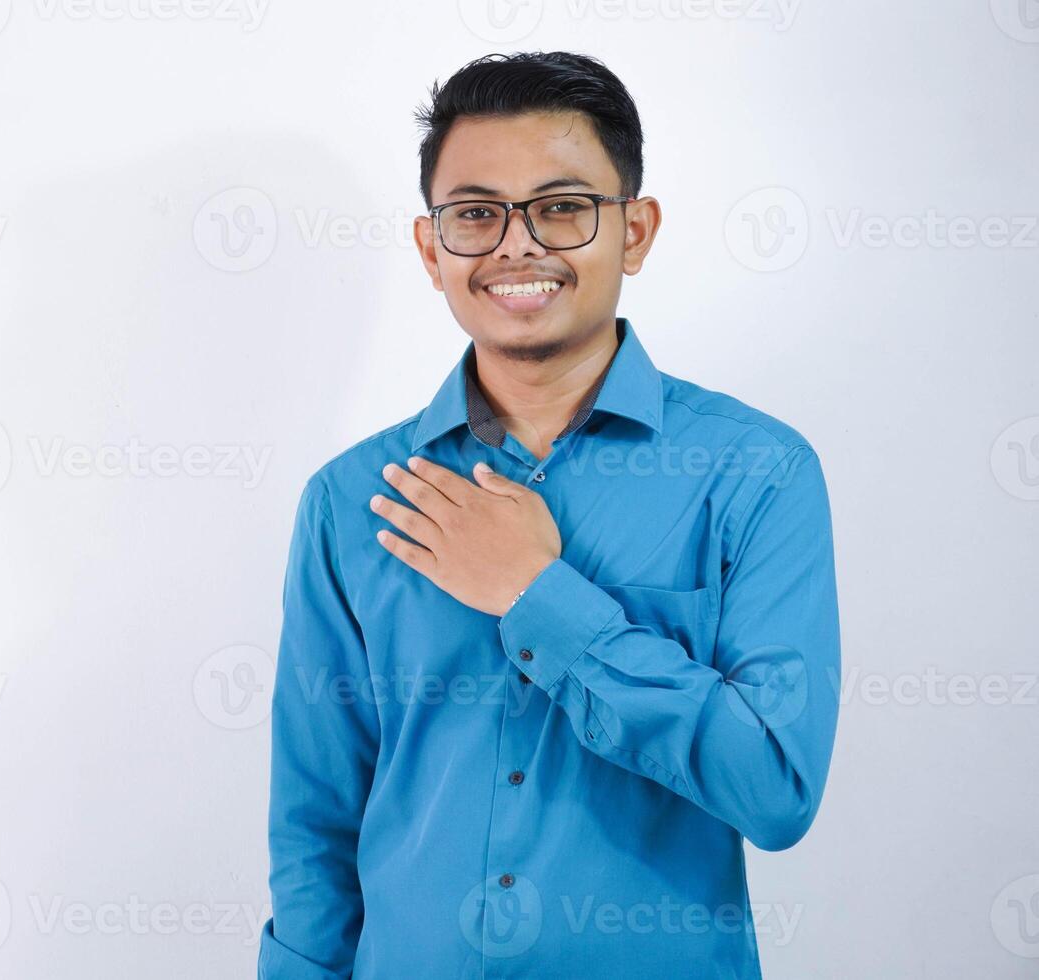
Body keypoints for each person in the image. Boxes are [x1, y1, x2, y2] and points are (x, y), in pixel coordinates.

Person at [259, 51, 841, 979]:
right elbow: (315, 822)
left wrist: (540, 594)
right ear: (430, 248)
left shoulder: (755, 474)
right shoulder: (352, 499)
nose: (515, 246)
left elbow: (773, 789)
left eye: (562, 208)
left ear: (636, 231)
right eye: (476, 214)